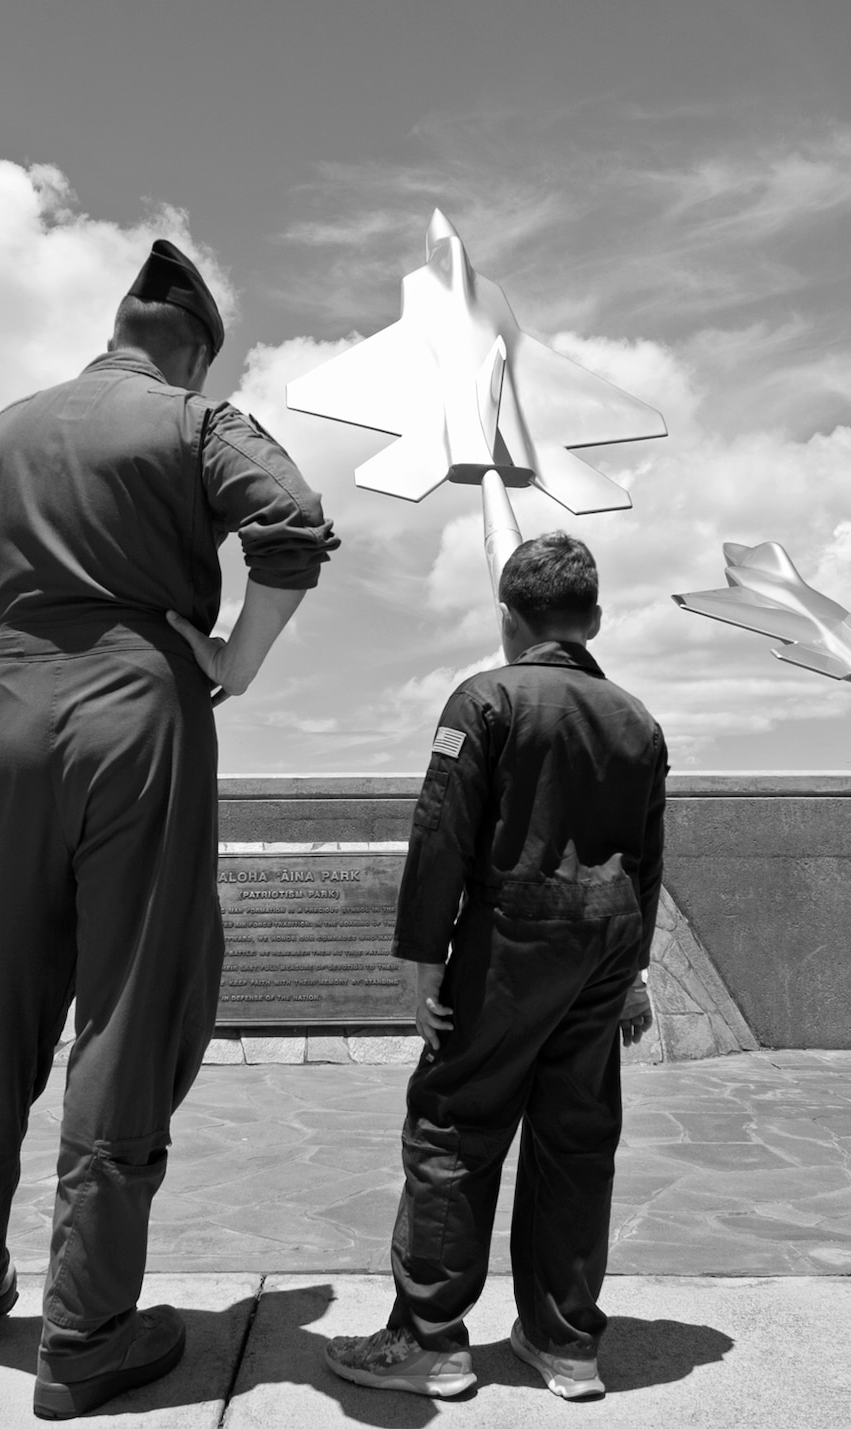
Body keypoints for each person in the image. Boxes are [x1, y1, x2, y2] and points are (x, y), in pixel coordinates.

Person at [0, 240, 337, 1420]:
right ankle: (85, 1331)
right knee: (128, 1005)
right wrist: (234, 661)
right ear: (194, 353)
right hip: (141, 711)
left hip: (11, 718)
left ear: (112, 332)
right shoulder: (197, 423)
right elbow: (292, 529)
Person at [322, 532, 666, 1403]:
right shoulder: (639, 720)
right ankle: (565, 1341)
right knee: (576, 1138)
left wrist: (420, 957)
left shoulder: (484, 700)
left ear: (508, 617)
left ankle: (429, 1340)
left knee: (453, 1125)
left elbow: (441, 832)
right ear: (594, 619)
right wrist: (632, 973)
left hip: (510, 946)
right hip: (604, 950)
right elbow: (649, 857)